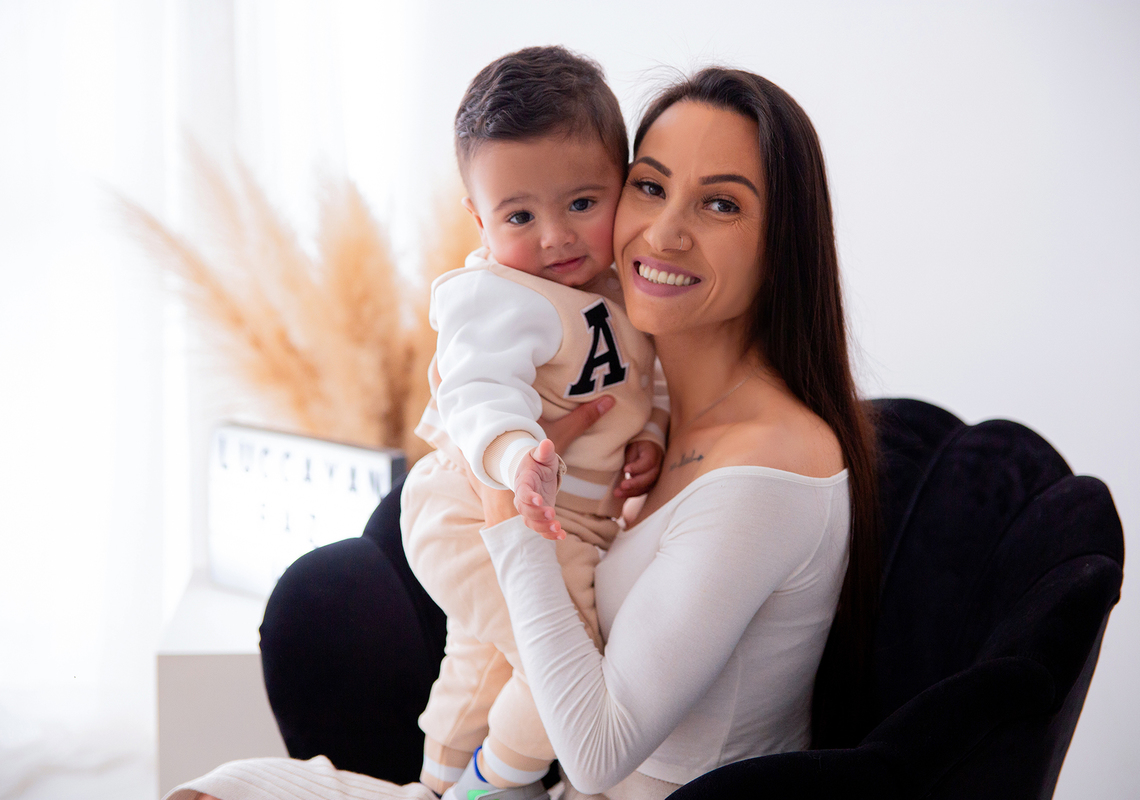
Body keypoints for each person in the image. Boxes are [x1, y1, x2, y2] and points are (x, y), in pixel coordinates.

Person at [165, 65, 880, 800]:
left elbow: (598, 750)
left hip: (576, 779)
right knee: (220, 788)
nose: (664, 231)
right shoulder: (644, 401)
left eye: (721, 204)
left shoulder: (770, 466)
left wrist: (504, 500)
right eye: (651, 186)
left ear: (783, 241)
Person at [400, 45, 666, 800]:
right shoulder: (494, 295)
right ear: (478, 218)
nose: (555, 237)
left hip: (570, 523)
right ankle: (488, 788)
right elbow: (480, 393)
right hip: (473, 506)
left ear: (624, 184)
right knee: (565, 673)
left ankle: (437, 780)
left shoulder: (622, 286)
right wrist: (518, 456)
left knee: (485, 662)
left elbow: (652, 377)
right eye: (520, 215)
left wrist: (649, 436)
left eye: (583, 203)